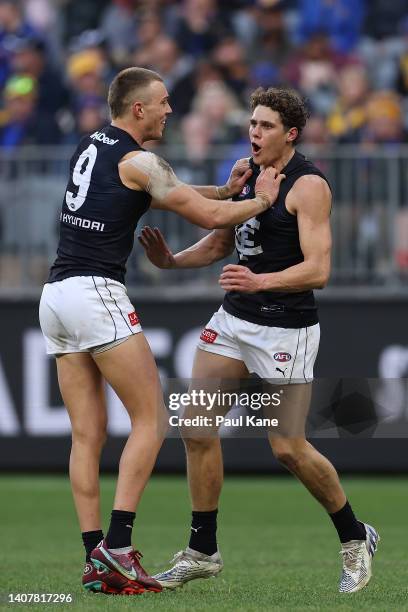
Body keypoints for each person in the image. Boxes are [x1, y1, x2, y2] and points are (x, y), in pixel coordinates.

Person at [38, 67, 282, 596]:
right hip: (95, 292)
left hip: (55, 295)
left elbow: (169, 190)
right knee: (150, 418)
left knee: (86, 435)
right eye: (164, 102)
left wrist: (226, 185)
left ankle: (94, 557)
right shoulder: (140, 158)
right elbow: (206, 214)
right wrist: (260, 199)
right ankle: (120, 549)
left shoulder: (96, 145)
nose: (171, 109)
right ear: (138, 109)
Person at [139, 87, 380, 594]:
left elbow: (320, 269)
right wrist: (173, 262)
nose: (254, 132)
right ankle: (202, 551)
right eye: (252, 123)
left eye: (266, 126)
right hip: (234, 319)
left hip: (285, 326)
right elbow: (225, 239)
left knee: (288, 449)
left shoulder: (308, 185)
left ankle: (356, 537)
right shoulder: (247, 173)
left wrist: (261, 281)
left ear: (291, 134)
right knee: (196, 427)